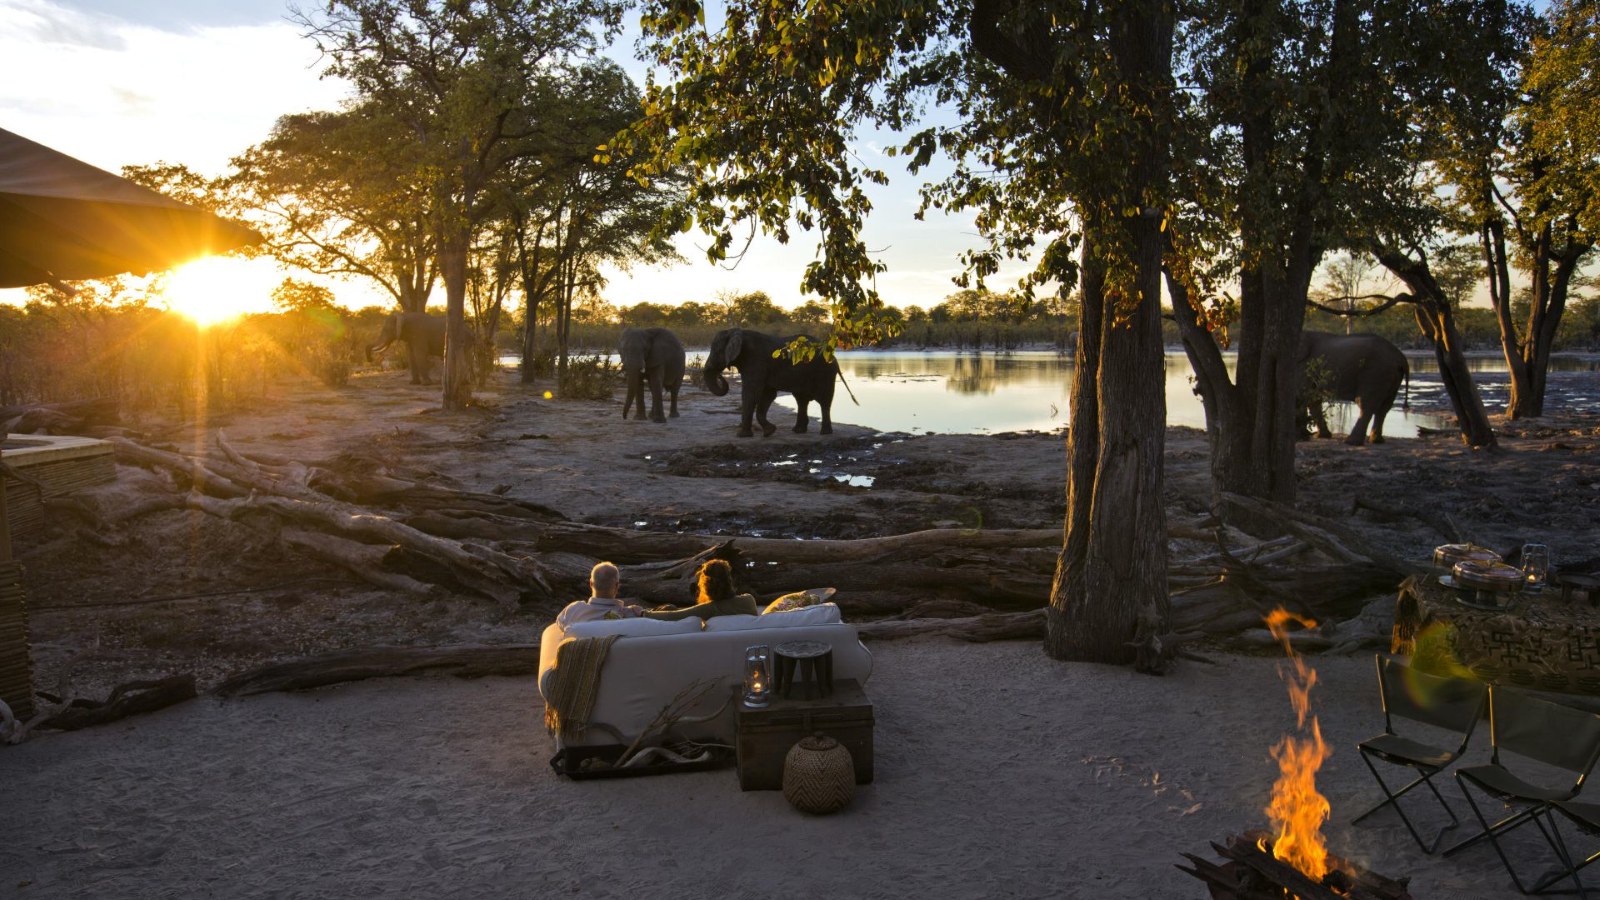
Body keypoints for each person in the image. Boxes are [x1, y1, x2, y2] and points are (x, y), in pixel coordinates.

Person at [643, 558, 759, 622]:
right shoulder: (749, 600)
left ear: (705, 585)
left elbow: (674, 616)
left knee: (669, 608)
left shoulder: (709, 609)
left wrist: (643, 613)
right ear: (729, 580)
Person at [555, 562, 642, 627]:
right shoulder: (630, 616)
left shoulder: (572, 611)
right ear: (616, 586)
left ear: (591, 584)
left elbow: (559, 624)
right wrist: (641, 613)